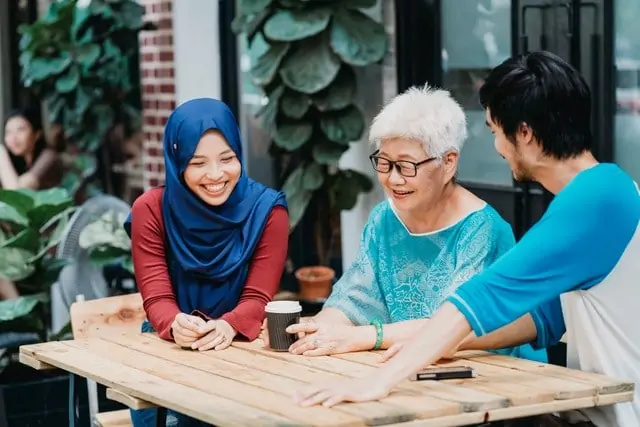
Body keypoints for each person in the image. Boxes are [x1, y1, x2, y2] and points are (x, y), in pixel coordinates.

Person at [292, 51, 640, 427]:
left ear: (523, 132)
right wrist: (404, 341)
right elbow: (539, 318)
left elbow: (482, 297)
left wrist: (379, 381)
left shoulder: (598, 199)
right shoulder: (603, 193)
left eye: (494, 131)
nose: (496, 148)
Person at [261, 85, 546, 363]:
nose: (393, 179)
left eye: (406, 166)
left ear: (448, 163)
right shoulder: (384, 218)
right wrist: (315, 330)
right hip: (402, 363)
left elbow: (454, 326)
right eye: (384, 162)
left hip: (484, 370)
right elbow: (354, 298)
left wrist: (364, 337)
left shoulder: (481, 229)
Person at [123, 98, 289, 427]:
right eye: (198, 163)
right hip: (167, 351)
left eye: (227, 159)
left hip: (242, 347)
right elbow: (156, 298)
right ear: (177, 161)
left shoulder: (268, 210)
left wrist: (227, 325)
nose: (215, 175)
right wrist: (175, 324)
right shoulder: (151, 210)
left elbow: (258, 298)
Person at [0, 108, 62, 300]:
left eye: (20, 130)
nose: (13, 137)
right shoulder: (14, 164)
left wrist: (0, 155)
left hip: (49, 242)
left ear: (36, 134)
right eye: (8, 132)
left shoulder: (48, 158)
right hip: (20, 241)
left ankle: (19, 309)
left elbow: (19, 194)